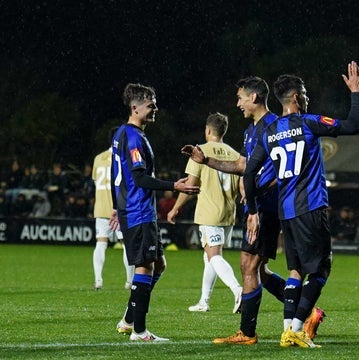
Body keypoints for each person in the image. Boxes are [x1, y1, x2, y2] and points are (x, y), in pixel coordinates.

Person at [183, 76, 324, 346]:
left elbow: (283, 172)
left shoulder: (274, 126)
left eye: (240, 98)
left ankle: (248, 333)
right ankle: (305, 313)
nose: (237, 103)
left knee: (250, 265)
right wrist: (207, 160)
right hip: (258, 206)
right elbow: (243, 166)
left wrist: (256, 206)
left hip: (267, 207)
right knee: (257, 269)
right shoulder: (251, 131)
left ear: (254, 98)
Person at [243, 62, 359, 348]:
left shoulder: (269, 133)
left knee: (296, 271)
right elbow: (353, 125)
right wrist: (356, 94)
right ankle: (297, 328)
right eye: (305, 92)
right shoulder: (309, 122)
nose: (307, 96)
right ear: (296, 97)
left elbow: (249, 173)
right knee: (322, 269)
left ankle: (288, 331)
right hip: (310, 207)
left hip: (286, 212)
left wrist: (252, 211)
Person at [111, 83, 199, 342]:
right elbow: (138, 178)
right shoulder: (134, 137)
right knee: (145, 267)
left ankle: (129, 318)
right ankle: (139, 331)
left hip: (136, 210)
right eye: (151, 105)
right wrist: (174, 185)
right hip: (138, 211)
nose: (155, 108)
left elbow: (119, 175)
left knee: (158, 264)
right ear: (135, 107)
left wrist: (117, 206)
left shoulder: (122, 134)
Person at [167, 112, 243, 314]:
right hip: (228, 213)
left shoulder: (199, 152)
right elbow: (242, 183)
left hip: (210, 212)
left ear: (208, 130)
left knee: (214, 256)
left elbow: (190, 186)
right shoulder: (235, 154)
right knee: (209, 256)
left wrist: (175, 208)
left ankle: (238, 291)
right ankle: (204, 301)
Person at [92, 128, 134, 291]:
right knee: (126, 244)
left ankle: (98, 280)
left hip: (101, 207)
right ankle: (129, 282)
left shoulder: (98, 158)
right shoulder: (122, 158)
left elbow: (96, 182)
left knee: (101, 242)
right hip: (120, 208)